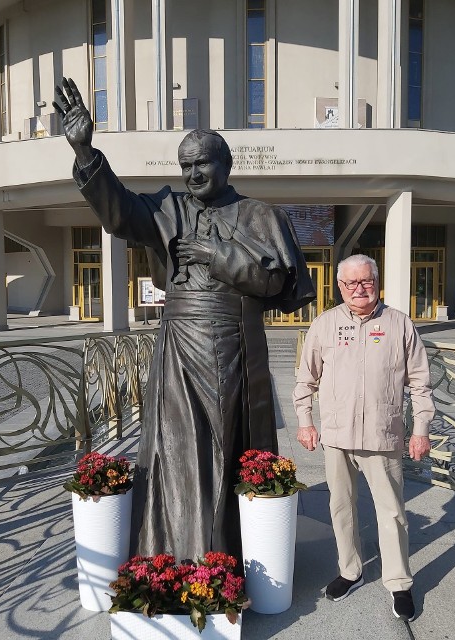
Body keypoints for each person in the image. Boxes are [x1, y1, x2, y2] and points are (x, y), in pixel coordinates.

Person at [54, 78, 315, 564]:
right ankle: (172, 549)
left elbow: (278, 285)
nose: (193, 173)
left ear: (226, 165)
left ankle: (223, 552)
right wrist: (87, 153)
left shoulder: (259, 214)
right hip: (178, 344)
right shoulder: (166, 208)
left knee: (221, 444)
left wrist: (220, 256)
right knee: (174, 446)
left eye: (202, 163)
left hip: (233, 342)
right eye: (186, 165)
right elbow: (118, 213)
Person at [293, 254, 433, 622]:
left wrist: (421, 429)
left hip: (382, 436)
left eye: (366, 281)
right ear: (339, 286)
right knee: (341, 509)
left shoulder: (399, 324)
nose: (359, 289)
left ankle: (399, 582)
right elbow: (305, 379)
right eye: (351, 283)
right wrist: (306, 421)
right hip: (337, 436)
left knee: (391, 512)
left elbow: (420, 382)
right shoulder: (324, 325)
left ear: (376, 280)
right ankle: (350, 570)